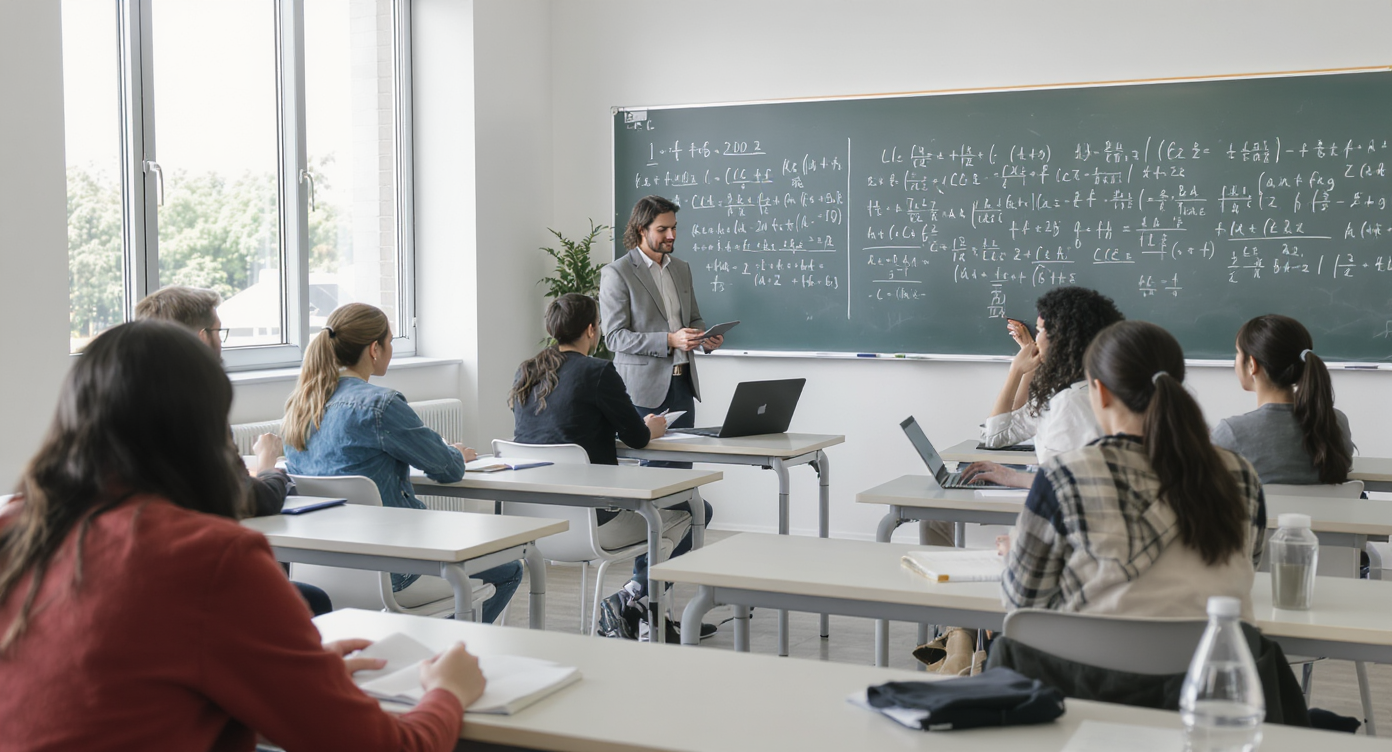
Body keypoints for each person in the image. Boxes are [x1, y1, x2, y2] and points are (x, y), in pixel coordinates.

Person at [0, 319, 484, 750]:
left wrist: (301, 677)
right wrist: (447, 691)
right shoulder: (212, 559)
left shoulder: (16, 529)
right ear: (206, 426)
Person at [1000, 320, 1266, 619]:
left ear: (1099, 392)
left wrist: (1014, 555)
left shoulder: (1064, 476)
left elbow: (1021, 600)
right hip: (1212, 659)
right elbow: (1249, 567)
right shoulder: (1239, 474)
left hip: (1088, 662)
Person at [283, 303, 521, 624]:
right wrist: (454, 453)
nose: (392, 349)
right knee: (512, 569)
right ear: (374, 349)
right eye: (391, 341)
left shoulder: (299, 409)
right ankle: (444, 653)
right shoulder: (381, 405)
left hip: (319, 574)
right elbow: (448, 470)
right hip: (394, 572)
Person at [509, 293, 710, 641]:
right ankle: (631, 598)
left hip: (535, 526)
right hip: (593, 523)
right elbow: (636, 437)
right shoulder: (598, 371)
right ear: (592, 329)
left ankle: (637, 607)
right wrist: (653, 428)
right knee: (696, 510)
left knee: (670, 514)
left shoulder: (527, 370)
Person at [134, 284, 331, 615]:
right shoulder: (196, 409)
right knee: (311, 600)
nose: (221, 340)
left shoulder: (122, 407)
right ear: (201, 338)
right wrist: (271, 469)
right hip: (195, 582)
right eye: (218, 331)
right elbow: (253, 500)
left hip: (141, 582)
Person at [597, 195, 717, 630]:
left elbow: (694, 321)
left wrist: (702, 339)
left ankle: (642, 601)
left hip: (682, 387)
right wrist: (668, 340)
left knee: (682, 499)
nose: (671, 236)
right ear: (642, 228)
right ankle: (646, 606)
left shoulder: (681, 270)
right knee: (655, 503)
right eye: (663, 229)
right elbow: (614, 338)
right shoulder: (617, 273)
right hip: (643, 395)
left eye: (674, 229)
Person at [963, 286, 1126, 491]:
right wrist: (1021, 369)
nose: (1036, 340)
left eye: (1040, 331)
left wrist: (1015, 370)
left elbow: (1067, 488)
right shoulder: (1077, 391)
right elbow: (996, 436)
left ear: (1061, 338)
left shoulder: (1070, 402)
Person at [1212, 314, 1353, 486]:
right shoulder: (1336, 422)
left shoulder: (1231, 433)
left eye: (1238, 353)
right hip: (1326, 514)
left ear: (1251, 365)